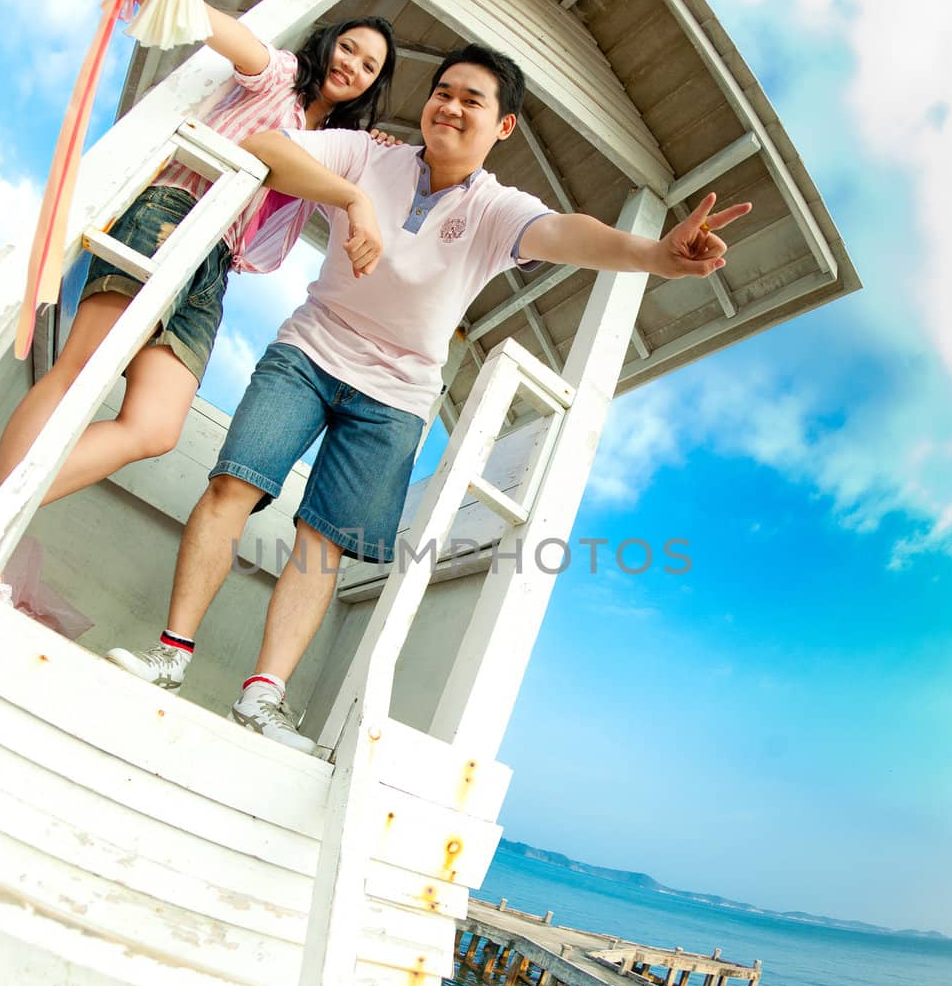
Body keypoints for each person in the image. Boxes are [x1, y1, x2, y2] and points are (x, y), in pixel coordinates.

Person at [107, 43, 750, 751]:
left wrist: (656, 255)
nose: (449, 106)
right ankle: (171, 654)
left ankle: (260, 700)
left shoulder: (499, 209)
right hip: (310, 349)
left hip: (397, 394)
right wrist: (349, 197)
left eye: (472, 99)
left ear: (502, 127)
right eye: (443, 91)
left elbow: (572, 235)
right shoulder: (367, 155)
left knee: (322, 544)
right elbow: (265, 143)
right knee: (233, 486)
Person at [0, 0, 397, 507]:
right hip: (173, 213)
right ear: (328, 41)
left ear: (373, 85)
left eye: (367, 66)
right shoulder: (280, 75)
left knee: (155, 427)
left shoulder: (332, 146)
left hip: (216, 266)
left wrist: (374, 154)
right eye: (348, 48)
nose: (350, 65)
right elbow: (225, 34)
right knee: (80, 369)